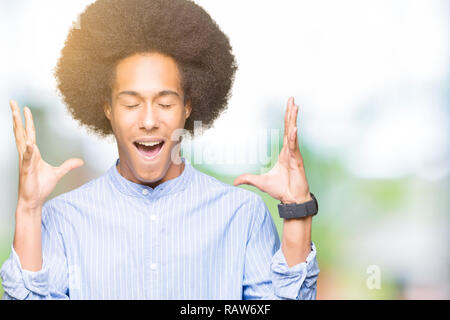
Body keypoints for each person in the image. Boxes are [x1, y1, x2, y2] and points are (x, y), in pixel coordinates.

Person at [1, 0, 319, 300]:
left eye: (165, 103)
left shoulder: (241, 216)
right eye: (131, 103)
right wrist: (28, 210)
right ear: (108, 109)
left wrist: (297, 212)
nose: (149, 120)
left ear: (188, 107)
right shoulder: (63, 220)